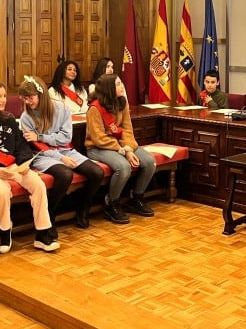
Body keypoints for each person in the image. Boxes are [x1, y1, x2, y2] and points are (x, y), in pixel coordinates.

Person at [0, 80, 58, 254]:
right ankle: (5, 231)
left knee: (38, 184)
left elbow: (21, 146)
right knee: (1, 191)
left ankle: (43, 233)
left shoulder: (9, 120)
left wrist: (23, 164)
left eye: (5, 96)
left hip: (12, 165)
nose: (3, 100)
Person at [19, 75, 104, 230]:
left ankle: (82, 209)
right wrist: (59, 156)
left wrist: (41, 137)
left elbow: (65, 137)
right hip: (42, 156)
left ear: (41, 95)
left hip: (65, 150)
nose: (27, 102)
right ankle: (49, 214)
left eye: (30, 97)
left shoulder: (61, 108)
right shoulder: (26, 117)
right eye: (24, 98)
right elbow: (37, 147)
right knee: (65, 174)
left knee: (97, 172)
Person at [85, 74, 156, 224]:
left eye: (121, 83)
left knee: (150, 162)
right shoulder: (95, 108)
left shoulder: (122, 103)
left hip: (121, 145)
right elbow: (99, 138)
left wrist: (128, 148)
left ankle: (136, 198)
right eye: (118, 84)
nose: (122, 86)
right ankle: (112, 204)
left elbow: (127, 130)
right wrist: (123, 151)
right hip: (98, 147)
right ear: (109, 88)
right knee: (123, 167)